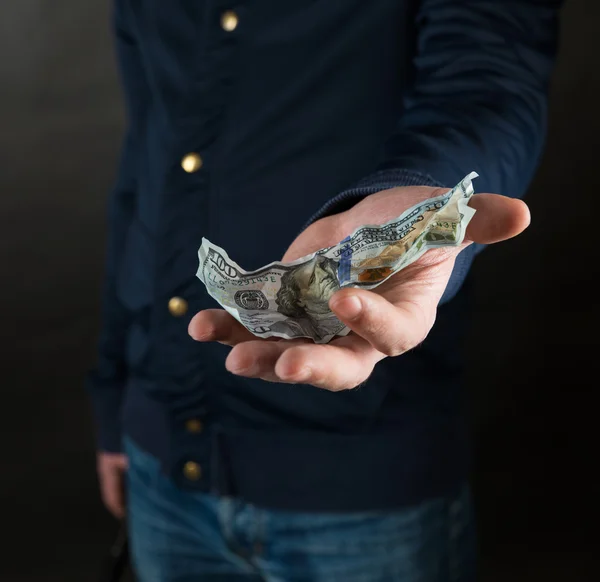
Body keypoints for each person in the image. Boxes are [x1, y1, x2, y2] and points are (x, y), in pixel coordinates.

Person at [88, 1, 561, 580]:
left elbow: (488, 80)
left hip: (364, 492)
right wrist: (114, 398)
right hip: (158, 461)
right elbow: (147, 160)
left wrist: (422, 206)